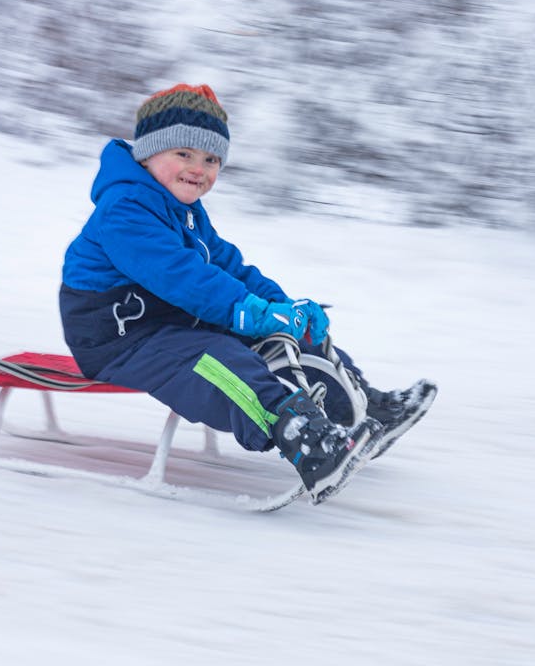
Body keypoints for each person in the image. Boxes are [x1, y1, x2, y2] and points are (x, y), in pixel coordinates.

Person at [58, 83, 435, 503]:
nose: (198, 168)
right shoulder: (124, 209)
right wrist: (245, 311)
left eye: (211, 159)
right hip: (122, 340)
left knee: (289, 337)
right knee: (218, 362)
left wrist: (281, 307)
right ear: (149, 152)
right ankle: (303, 439)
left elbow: (228, 266)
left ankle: (361, 408)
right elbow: (181, 277)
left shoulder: (184, 212)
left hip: (176, 321)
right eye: (184, 154)